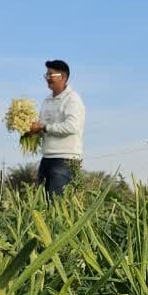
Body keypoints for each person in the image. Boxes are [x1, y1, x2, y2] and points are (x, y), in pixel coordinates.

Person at [28, 59, 85, 198]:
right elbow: (42, 126)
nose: (47, 78)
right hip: (47, 157)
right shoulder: (47, 100)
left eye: (51, 75)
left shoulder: (72, 99)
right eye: (46, 75)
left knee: (57, 203)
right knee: (41, 202)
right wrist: (31, 130)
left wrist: (44, 127)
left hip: (65, 159)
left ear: (63, 77)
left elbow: (72, 126)